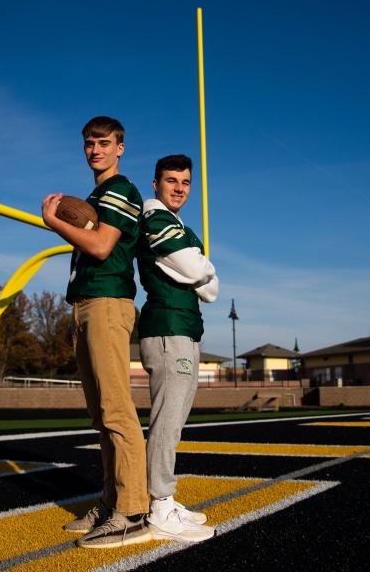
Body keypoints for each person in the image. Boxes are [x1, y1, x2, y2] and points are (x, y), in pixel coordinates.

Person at [41, 116, 149, 548]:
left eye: (103, 143)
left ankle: (133, 512)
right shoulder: (94, 195)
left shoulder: (120, 190)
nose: (95, 150)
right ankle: (110, 503)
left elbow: (103, 246)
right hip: (85, 304)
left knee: (117, 410)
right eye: (89, 143)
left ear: (120, 147)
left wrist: (55, 222)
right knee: (100, 413)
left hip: (107, 304)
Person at [136, 154, 219, 542]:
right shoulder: (154, 218)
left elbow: (210, 289)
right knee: (166, 422)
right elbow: (197, 271)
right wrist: (199, 266)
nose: (179, 188)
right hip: (168, 328)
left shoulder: (180, 225)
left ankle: (165, 499)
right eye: (171, 181)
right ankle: (159, 506)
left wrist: (197, 268)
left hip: (185, 329)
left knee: (175, 421)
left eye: (185, 182)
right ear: (156, 184)